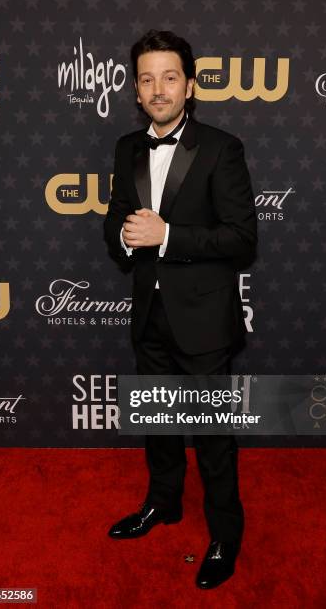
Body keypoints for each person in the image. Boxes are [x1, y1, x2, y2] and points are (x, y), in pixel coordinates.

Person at [103, 29, 258, 590]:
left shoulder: (222, 147)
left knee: (213, 438)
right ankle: (162, 505)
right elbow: (117, 218)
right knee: (160, 428)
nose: (159, 88)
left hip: (204, 322)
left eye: (170, 77)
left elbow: (242, 237)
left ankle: (224, 535)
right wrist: (125, 236)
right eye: (147, 79)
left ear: (190, 86)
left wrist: (168, 236)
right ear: (136, 91)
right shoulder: (127, 148)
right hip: (149, 315)